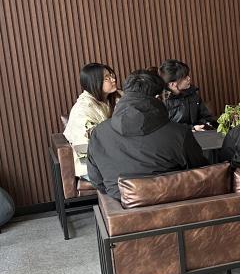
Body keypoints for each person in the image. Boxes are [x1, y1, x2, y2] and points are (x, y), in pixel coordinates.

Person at [86, 70, 207, 201]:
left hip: (122, 209)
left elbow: (97, 181)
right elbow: (200, 174)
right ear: (158, 97)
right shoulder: (179, 133)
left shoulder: (98, 133)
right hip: (175, 206)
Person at [64, 62, 121, 177]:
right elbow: (87, 145)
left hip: (113, 155)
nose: (113, 79)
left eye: (111, 75)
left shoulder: (115, 97)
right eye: (107, 78)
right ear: (94, 82)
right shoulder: (83, 109)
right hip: (92, 165)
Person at [159, 59, 215, 130]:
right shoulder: (161, 102)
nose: (189, 78)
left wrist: (204, 125)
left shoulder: (192, 93)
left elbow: (206, 117)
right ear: (172, 84)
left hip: (200, 134)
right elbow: (166, 128)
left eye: (187, 75)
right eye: (185, 77)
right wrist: (191, 128)